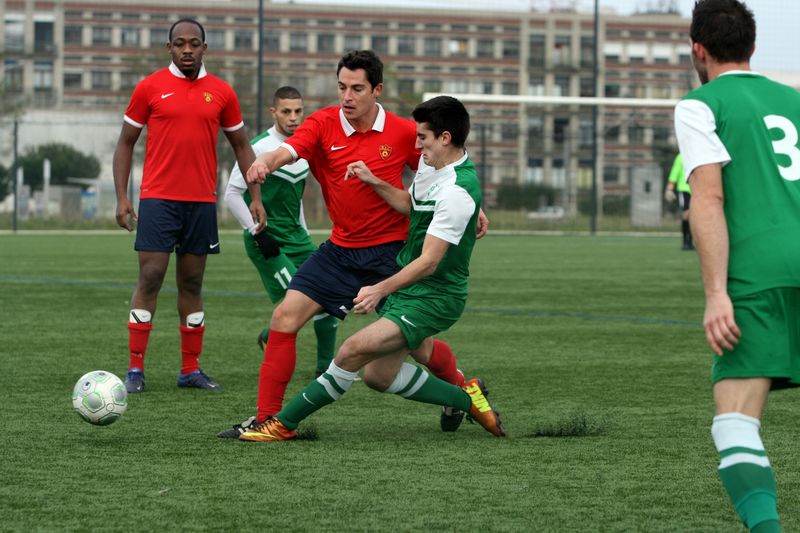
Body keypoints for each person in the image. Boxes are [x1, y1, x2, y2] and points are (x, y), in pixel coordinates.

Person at [218, 50, 486, 438]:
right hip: (340, 250)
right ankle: (267, 418)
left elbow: (442, 167)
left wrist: (472, 206)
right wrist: (266, 164)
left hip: (392, 253)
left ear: (376, 90)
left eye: (357, 88)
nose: (347, 96)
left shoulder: (400, 131)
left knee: (420, 347)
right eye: (342, 87)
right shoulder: (322, 123)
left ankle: (461, 391)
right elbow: (288, 149)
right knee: (284, 318)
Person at [675, 1, 800, 531]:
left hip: (759, 273)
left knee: (735, 423)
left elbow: (707, 201)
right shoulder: (794, 100)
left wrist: (715, 294)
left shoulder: (700, 105)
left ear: (697, 50)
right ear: (753, 48)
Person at [113, 18, 263, 394]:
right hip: (159, 199)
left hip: (200, 203)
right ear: (169, 49)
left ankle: (190, 370)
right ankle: (135, 370)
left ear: (204, 48)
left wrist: (255, 196)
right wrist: (122, 196)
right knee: (150, 277)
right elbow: (126, 142)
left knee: (192, 282)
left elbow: (243, 146)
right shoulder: (150, 87)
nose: (187, 50)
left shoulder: (222, 93)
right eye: (179, 44)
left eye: (194, 44)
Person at [222, 85, 339, 389]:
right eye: (286, 111)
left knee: (330, 297)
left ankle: (324, 368)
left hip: (297, 238)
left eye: (298, 111)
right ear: (273, 113)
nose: (293, 117)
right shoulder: (260, 148)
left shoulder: (304, 147)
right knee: (300, 304)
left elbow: (295, 198)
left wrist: (305, 233)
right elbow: (232, 193)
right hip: (267, 242)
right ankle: (287, 360)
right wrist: (256, 232)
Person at [664, 153, 694, 250]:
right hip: (685, 189)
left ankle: (692, 241)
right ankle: (686, 241)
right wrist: (669, 189)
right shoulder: (681, 157)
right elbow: (674, 173)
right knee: (687, 214)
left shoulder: (699, 154)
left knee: (695, 217)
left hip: (697, 190)